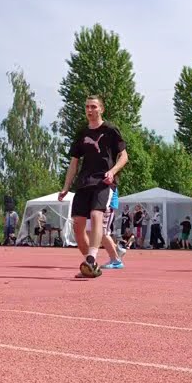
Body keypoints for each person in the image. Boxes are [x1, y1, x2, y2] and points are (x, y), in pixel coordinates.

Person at [57, 95, 128, 278]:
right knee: (78, 226)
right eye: (87, 107)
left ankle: (91, 257)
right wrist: (66, 186)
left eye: (94, 107)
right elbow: (73, 163)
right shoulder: (81, 133)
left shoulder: (111, 130)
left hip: (103, 181)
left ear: (101, 109)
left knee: (97, 215)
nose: (90, 110)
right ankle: (90, 264)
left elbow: (124, 156)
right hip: (84, 183)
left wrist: (112, 171)